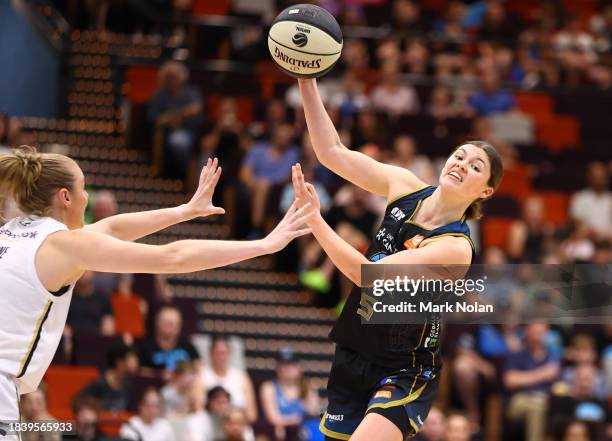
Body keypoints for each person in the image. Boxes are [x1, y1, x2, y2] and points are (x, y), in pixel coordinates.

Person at [0, 149, 313, 439]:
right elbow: (173, 257)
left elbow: (111, 230)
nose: (87, 198)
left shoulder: (13, 232)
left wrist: (185, 211)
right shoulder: (62, 244)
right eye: (84, 189)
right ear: (65, 197)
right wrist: (264, 246)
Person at [293, 78, 503, 441]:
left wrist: (316, 220)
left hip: (405, 367)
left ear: (485, 191)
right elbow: (331, 152)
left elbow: (369, 277)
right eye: (460, 156)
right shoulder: (404, 185)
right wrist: (307, 78)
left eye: (475, 166)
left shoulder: (456, 247)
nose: (462, 163)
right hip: (355, 349)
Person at [202, 336, 258, 423]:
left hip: (239, 428)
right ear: (210, 354)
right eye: (218, 353)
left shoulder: (242, 377)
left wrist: (232, 413)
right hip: (211, 426)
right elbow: (197, 410)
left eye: (224, 353)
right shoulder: (201, 376)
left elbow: (252, 415)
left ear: (229, 353)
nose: (221, 357)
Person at [76, 343, 139, 411]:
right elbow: (78, 402)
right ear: (120, 362)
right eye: (132, 359)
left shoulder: (127, 385)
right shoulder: (99, 383)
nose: (136, 363)